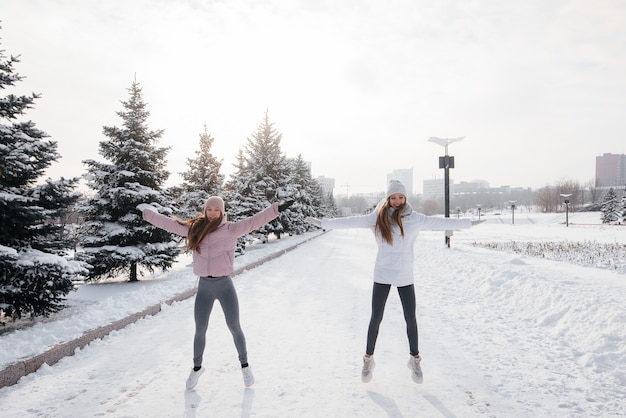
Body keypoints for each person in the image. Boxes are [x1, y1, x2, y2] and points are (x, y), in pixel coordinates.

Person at [305, 180, 473, 384]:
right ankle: (368, 359)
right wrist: (323, 223)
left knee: (410, 319)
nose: (397, 201)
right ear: (388, 198)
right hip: (383, 274)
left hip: (405, 276)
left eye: (401, 197)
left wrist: (468, 223)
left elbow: (441, 223)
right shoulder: (376, 218)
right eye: (393, 197)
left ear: (405, 198)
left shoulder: (416, 219)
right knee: (376, 318)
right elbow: (350, 221)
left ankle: (415, 359)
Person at [139, 196, 293, 390]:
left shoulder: (231, 229)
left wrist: (276, 208)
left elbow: (256, 220)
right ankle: (196, 368)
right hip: (204, 287)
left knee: (234, 326)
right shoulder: (195, 229)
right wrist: (146, 213)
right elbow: (169, 224)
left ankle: (245, 366)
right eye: (209, 209)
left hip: (224, 286)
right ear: (205, 210)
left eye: (216, 210)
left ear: (222, 212)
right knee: (200, 329)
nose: (212, 213)